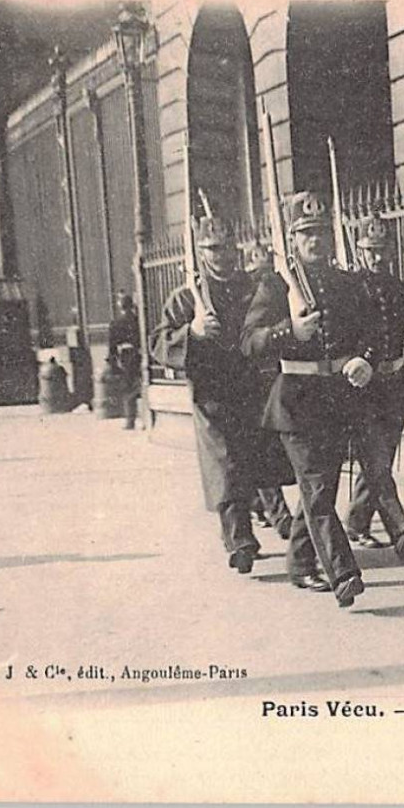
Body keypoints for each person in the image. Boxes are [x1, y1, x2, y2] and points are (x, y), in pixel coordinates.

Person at [240, 191, 379, 608]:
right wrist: (290, 333)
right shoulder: (275, 283)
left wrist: (363, 360)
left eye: (320, 232)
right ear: (293, 240)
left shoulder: (347, 283)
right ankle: (344, 573)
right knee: (318, 489)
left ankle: (301, 562)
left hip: (337, 399)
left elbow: (370, 333)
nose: (315, 240)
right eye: (305, 234)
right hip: (295, 402)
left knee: (322, 488)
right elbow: (249, 341)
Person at [150, 210, 286, 575]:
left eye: (226, 247)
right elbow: (158, 343)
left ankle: (276, 516)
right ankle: (239, 539)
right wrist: (192, 332)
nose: (221, 256)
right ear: (200, 251)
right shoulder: (186, 297)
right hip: (212, 394)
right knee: (225, 466)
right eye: (212, 248)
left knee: (257, 458)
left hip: (252, 387)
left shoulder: (253, 287)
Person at [341, 216, 404, 563]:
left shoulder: (401, 290)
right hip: (363, 387)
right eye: (370, 251)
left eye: (382, 251)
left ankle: (357, 521)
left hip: (395, 384)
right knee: (375, 459)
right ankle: (400, 528)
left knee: (381, 458)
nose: (377, 258)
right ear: (359, 251)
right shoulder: (348, 289)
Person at [242, 238, 295, 541]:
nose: (260, 277)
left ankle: (265, 507)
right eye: (255, 272)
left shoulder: (278, 290)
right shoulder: (243, 296)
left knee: (272, 451)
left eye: (264, 270)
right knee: (261, 450)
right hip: (252, 382)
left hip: (276, 375)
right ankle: (278, 514)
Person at [107, 291, 142, 430]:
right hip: (138, 354)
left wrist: (113, 362)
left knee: (128, 388)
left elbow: (112, 345)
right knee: (140, 384)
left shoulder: (116, 323)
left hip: (125, 357)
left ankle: (130, 420)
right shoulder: (137, 320)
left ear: (120, 307)